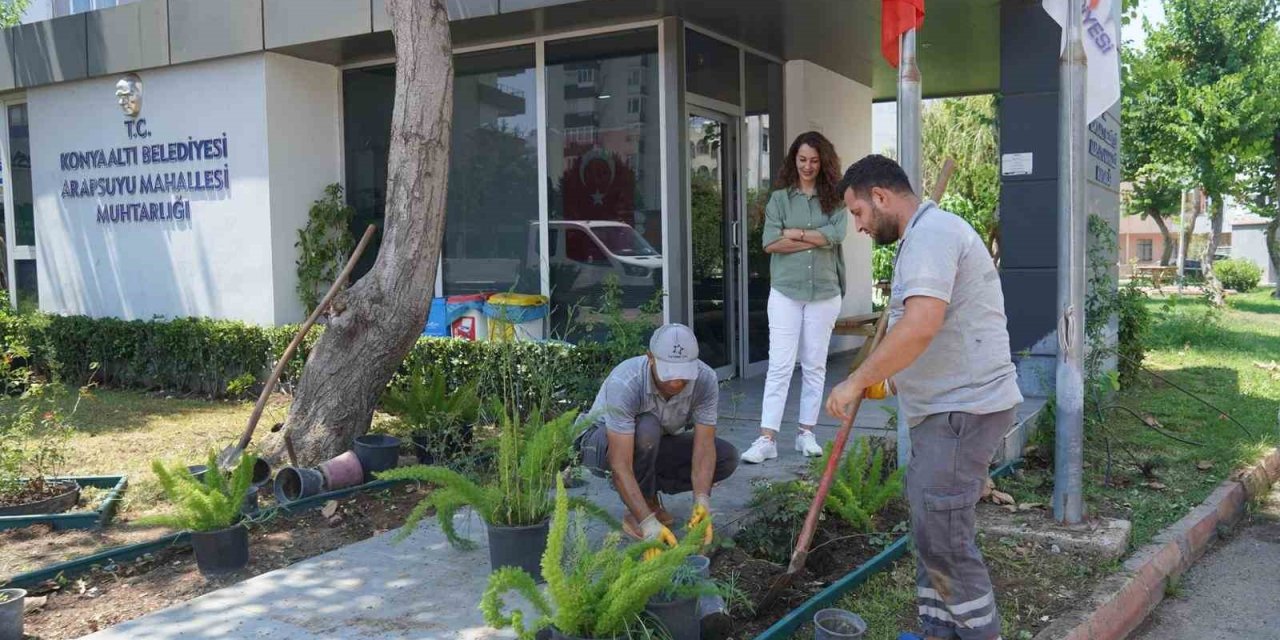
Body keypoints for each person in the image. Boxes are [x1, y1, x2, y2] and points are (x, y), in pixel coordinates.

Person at [825, 155, 1023, 640]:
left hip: (961, 411)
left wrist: (854, 380)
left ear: (881, 197)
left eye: (858, 213)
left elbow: (920, 325)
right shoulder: (924, 237)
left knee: (946, 541)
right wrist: (890, 381)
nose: (859, 226)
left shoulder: (931, 236)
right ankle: (938, 631)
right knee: (932, 531)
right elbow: (937, 333)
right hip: (949, 407)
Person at [575, 323, 739, 554]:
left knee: (725, 457)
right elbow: (620, 463)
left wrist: (702, 501)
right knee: (648, 427)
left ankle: (646, 496)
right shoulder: (627, 380)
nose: (676, 383)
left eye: (683, 374)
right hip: (600, 444)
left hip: (652, 444)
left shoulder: (705, 379)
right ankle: (640, 510)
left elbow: (704, 448)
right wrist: (647, 522)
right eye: (669, 373)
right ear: (650, 358)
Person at [740, 131, 849, 464]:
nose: (808, 166)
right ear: (793, 160)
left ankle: (806, 434)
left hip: (825, 291)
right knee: (780, 365)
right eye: (802, 159)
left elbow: (837, 234)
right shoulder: (779, 200)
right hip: (786, 291)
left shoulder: (836, 198)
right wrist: (816, 238)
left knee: (815, 365)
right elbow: (770, 243)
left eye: (814, 161)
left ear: (823, 162)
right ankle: (766, 439)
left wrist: (797, 234)